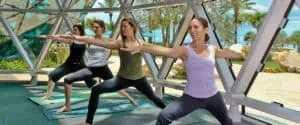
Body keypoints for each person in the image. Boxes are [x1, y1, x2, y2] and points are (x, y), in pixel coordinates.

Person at [121, 17, 245, 125]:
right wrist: (142, 47)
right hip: (191, 98)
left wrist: (243, 54)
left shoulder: (213, 49)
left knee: (227, 122)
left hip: (213, 97)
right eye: (190, 28)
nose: (192, 30)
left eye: (196, 27)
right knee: (164, 116)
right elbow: (165, 50)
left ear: (206, 29)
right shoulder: (185, 50)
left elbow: (230, 54)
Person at [60, 18, 166, 125]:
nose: (123, 29)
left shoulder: (141, 43)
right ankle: (88, 122)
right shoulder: (119, 43)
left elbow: (157, 49)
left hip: (139, 79)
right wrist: (77, 37)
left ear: (132, 27)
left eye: (125, 26)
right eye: (122, 27)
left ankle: (170, 113)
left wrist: (174, 52)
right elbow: (96, 41)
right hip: (122, 79)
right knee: (96, 90)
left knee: (153, 98)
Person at [40, 20, 137, 113]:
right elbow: (67, 38)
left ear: (103, 29)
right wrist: (48, 36)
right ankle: (67, 106)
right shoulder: (89, 39)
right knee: (67, 80)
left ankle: (130, 99)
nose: (94, 29)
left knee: (115, 86)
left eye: (97, 27)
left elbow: (122, 44)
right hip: (90, 68)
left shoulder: (109, 40)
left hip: (103, 69)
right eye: (93, 27)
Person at [38, 24, 95, 101]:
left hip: (80, 65)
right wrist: (46, 36)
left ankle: (97, 93)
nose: (73, 31)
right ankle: (48, 95)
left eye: (75, 29)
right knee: (52, 75)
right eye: (73, 29)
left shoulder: (85, 40)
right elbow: (58, 37)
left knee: (91, 81)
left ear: (80, 31)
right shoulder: (71, 40)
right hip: (69, 64)